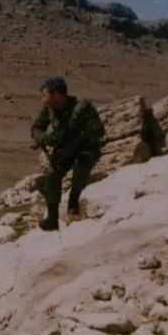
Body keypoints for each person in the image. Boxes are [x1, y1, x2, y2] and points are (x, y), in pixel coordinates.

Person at [30, 76, 106, 231]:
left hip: (85, 150)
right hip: (64, 150)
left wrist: (78, 139)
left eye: (45, 95)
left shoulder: (82, 108)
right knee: (51, 174)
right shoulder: (49, 109)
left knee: (81, 164)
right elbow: (36, 128)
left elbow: (99, 131)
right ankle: (52, 218)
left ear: (57, 94)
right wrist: (45, 138)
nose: (42, 99)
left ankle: (73, 201)